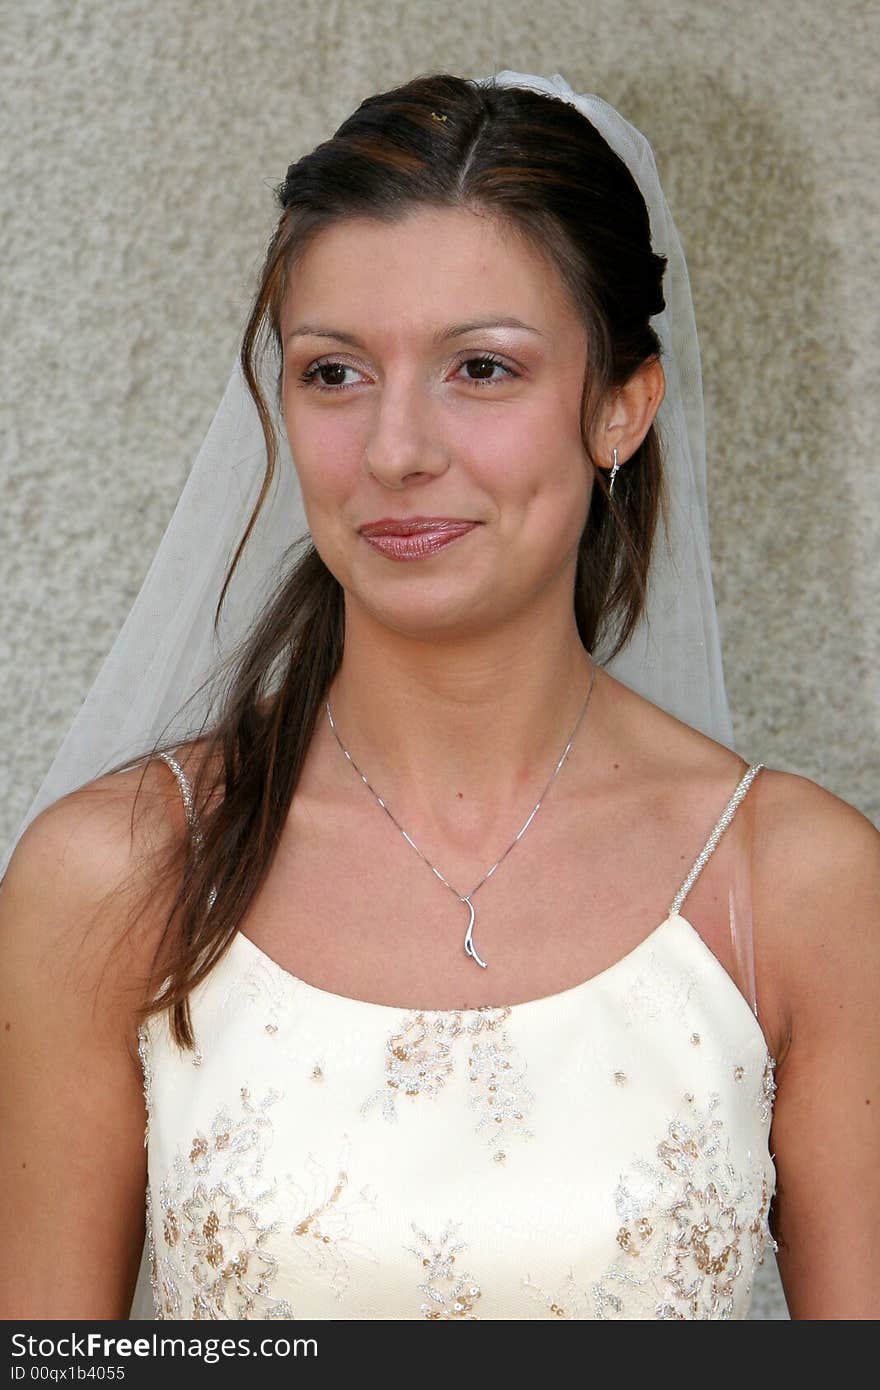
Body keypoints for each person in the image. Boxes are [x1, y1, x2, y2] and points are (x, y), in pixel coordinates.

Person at [0, 69, 877, 1323]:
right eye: (336, 374)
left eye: (480, 368)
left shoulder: (794, 889)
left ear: (622, 406)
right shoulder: (118, 874)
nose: (397, 449)